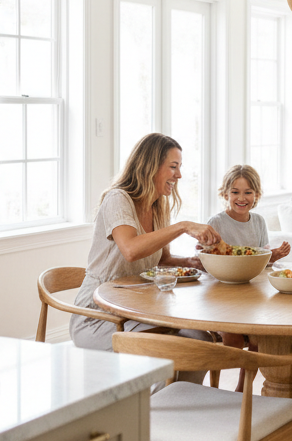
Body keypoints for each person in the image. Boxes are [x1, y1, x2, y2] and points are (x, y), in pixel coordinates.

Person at [70, 132, 221, 351]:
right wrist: (184, 226)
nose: (179, 175)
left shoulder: (158, 207)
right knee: (161, 347)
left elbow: (163, 259)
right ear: (151, 166)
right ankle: (160, 386)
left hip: (136, 310)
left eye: (179, 167)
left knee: (201, 341)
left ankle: (177, 388)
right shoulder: (118, 199)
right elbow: (131, 250)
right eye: (173, 166)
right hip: (98, 314)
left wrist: (191, 262)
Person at [207, 164, 290, 391]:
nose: (241, 198)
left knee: (258, 340)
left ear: (257, 195)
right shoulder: (216, 223)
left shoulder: (259, 222)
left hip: (252, 292)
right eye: (235, 192)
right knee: (233, 341)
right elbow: (209, 260)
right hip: (224, 294)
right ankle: (220, 388)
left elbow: (261, 259)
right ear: (225, 194)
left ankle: (242, 388)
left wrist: (273, 256)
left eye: (248, 192)